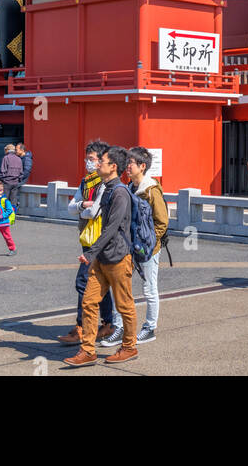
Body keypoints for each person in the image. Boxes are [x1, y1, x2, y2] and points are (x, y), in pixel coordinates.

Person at [64, 146, 138, 368]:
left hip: (118, 256)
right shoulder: (106, 188)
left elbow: (112, 228)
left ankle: (129, 347)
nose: (97, 164)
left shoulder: (120, 193)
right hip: (101, 257)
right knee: (89, 302)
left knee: (124, 305)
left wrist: (91, 252)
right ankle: (87, 351)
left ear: (113, 166)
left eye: (101, 161)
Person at [58, 140, 123, 347]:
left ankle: (83, 327)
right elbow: (71, 207)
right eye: (87, 159)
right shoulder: (86, 182)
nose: (89, 162)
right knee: (99, 282)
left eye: (93, 159)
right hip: (88, 238)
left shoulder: (106, 184)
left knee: (83, 282)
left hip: (100, 240)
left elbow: (94, 211)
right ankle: (108, 323)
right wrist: (82, 206)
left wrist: (82, 209)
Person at [125, 145, 169, 344]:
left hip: (148, 248)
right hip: (130, 246)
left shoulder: (151, 190)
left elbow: (162, 221)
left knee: (149, 289)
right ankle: (120, 326)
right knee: (122, 285)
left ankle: (150, 327)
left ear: (142, 166)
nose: (127, 166)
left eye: (131, 163)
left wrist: (149, 242)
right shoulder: (129, 188)